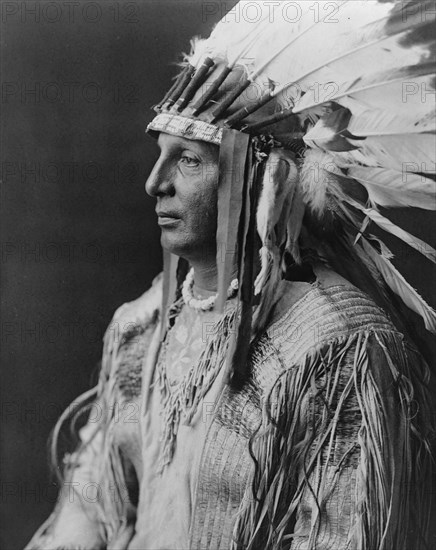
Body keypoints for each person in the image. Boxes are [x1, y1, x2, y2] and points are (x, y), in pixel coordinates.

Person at [25, 1, 436, 549]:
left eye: (189, 161)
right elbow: (94, 495)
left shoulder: (341, 348)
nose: (154, 183)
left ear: (259, 181)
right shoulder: (144, 326)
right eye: (161, 154)